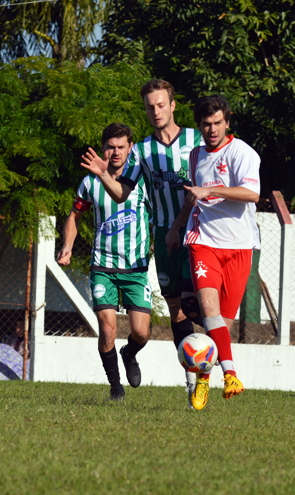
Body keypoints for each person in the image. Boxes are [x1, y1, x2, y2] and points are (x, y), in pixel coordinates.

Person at [81, 79, 203, 404]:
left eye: (161, 104)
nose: (155, 110)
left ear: (173, 105)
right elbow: (122, 193)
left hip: (201, 231)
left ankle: (216, 362)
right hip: (165, 238)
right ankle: (194, 382)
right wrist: (104, 175)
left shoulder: (195, 139)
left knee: (200, 305)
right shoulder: (142, 150)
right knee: (178, 312)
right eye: (150, 106)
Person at [60, 123, 152, 401]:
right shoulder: (90, 182)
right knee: (108, 329)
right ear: (103, 148)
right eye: (110, 146)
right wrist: (67, 246)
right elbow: (74, 217)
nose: (115, 152)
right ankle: (115, 388)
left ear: (130, 148)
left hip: (135, 268)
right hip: (103, 267)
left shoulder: (142, 180)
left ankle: (130, 353)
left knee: (141, 332)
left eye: (121, 146)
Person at [180, 94, 261, 410]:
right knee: (210, 313)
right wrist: (177, 228)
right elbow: (194, 195)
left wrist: (210, 190)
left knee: (220, 330)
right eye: (206, 124)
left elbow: (252, 193)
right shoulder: (196, 155)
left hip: (239, 247)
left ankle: (202, 381)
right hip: (204, 243)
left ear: (227, 122)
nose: (211, 129)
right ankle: (231, 375)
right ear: (199, 126)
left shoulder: (242, 152)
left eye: (217, 123)